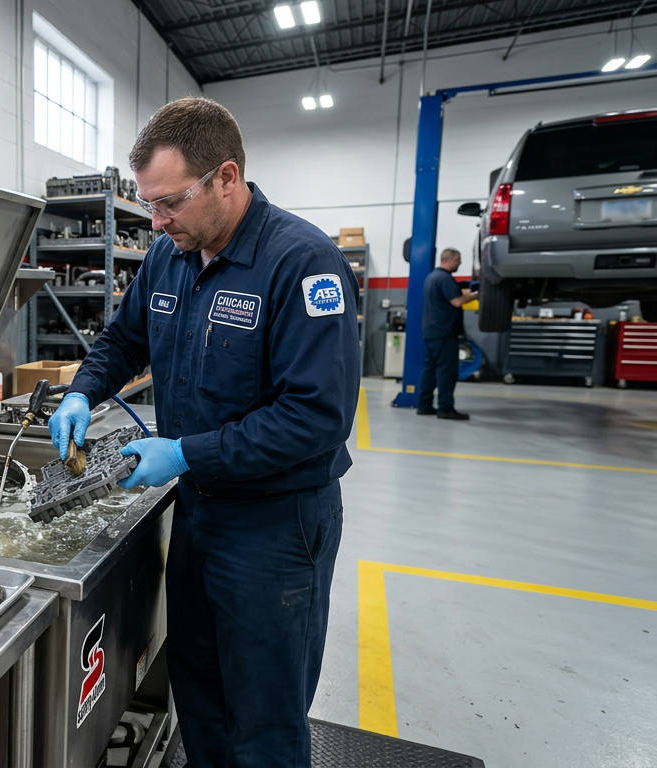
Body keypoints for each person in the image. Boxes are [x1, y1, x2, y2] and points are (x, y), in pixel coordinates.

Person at [49, 98, 360, 768]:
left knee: (265, 717)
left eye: (169, 203)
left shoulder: (303, 264)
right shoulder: (170, 256)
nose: (157, 222)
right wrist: (80, 391)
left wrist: (184, 452)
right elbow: (123, 340)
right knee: (201, 696)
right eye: (150, 206)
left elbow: (316, 418)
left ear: (226, 177)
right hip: (199, 515)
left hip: (276, 527)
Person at [417, 248, 477, 420]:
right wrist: (476, 295)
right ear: (451, 259)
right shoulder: (445, 278)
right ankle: (445, 408)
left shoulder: (432, 277)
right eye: (459, 260)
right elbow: (457, 301)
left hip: (431, 331)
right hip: (444, 332)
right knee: (447, 371)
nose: (460, 264)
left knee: (429, 369)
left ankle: (424, 405)